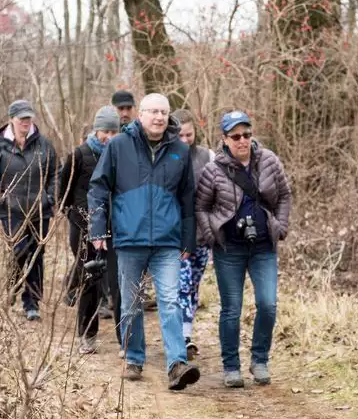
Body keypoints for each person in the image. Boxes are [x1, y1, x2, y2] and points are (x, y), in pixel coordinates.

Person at [88, 92, 198, 390]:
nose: (159, 117)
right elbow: (98, 188)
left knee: (170, 301)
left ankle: (176, 363)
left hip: (167, 242)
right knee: (131, 304)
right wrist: (97, 230)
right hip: (129, 239)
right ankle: (135, 357)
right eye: (153, 112)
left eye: (164, 112)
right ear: (141, 115)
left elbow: (188, 198)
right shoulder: (119, 146)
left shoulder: (180, 151)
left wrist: (189, 240)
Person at [195, 110, 292, 389]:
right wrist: (212, 233)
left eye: (247, 135)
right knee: (231, 309)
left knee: (268, 304)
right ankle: (231, 366)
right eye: (235, 136)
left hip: (264, 246)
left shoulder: (269, 160)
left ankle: (259, 360)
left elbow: (284, 195)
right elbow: (200, 206)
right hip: (230, 249)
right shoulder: (213, 170)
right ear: (224, 139)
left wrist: (281, 225)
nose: (242, 141)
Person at [0, 99, 58, 320]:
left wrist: (50, 197)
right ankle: (12, 285)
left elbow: (56, 172)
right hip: (11, 211)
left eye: (28, 117)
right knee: (19, 251)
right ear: (11, 119)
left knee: (36, 255)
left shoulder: (44, 145)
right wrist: (0, 198)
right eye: (21, 118)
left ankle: (32, 303)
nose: (26, 121)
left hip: (40, 210)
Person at [59, 105, 122, 354]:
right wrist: (75, 215)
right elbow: (64, 189)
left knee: (118, 281)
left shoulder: (120, 155)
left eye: (113, 131)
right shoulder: (79, 155)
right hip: (83, 226)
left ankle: (124, 338)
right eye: (105, 131)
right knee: (90, 279)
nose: (108, 136)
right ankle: (87, 334)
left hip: (114, 226)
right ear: (96, 130)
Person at [174, 109, 213, 357]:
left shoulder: (207, 156)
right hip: (176, 236)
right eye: (180, 135)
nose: (185, 139)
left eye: (189, 134)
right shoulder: (167, 157)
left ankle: (185, 330)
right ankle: (183, 337)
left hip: (202, 235)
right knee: (183, 286)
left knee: (194, 287)